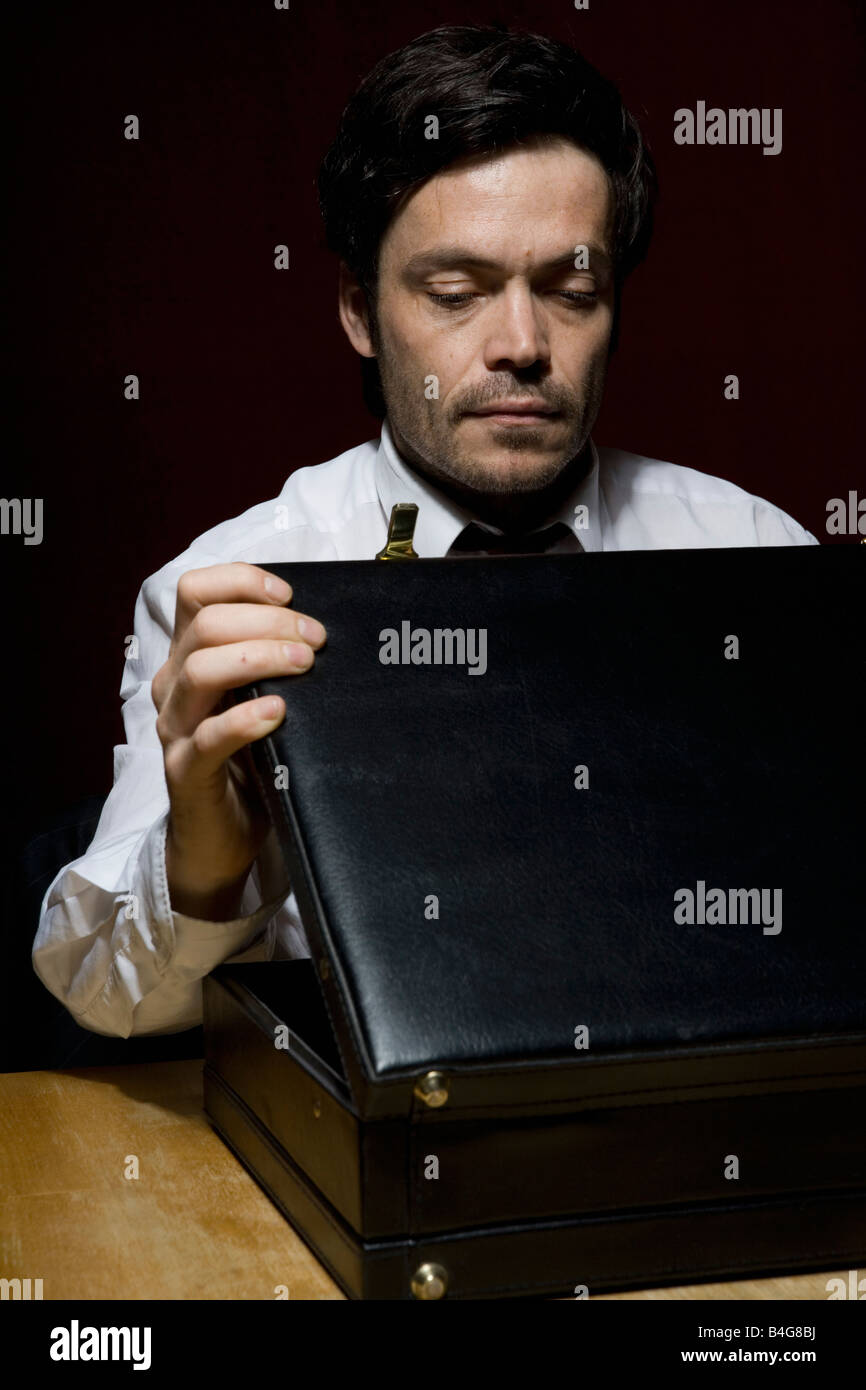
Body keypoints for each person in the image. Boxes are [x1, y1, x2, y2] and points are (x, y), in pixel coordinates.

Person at [32, 25, 818, 1038]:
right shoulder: (229, 592)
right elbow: (100, 995)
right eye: (455, 294)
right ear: (360, 309)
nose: (522, 345)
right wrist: (203, 856)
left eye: (571, 291)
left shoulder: (758, 563)